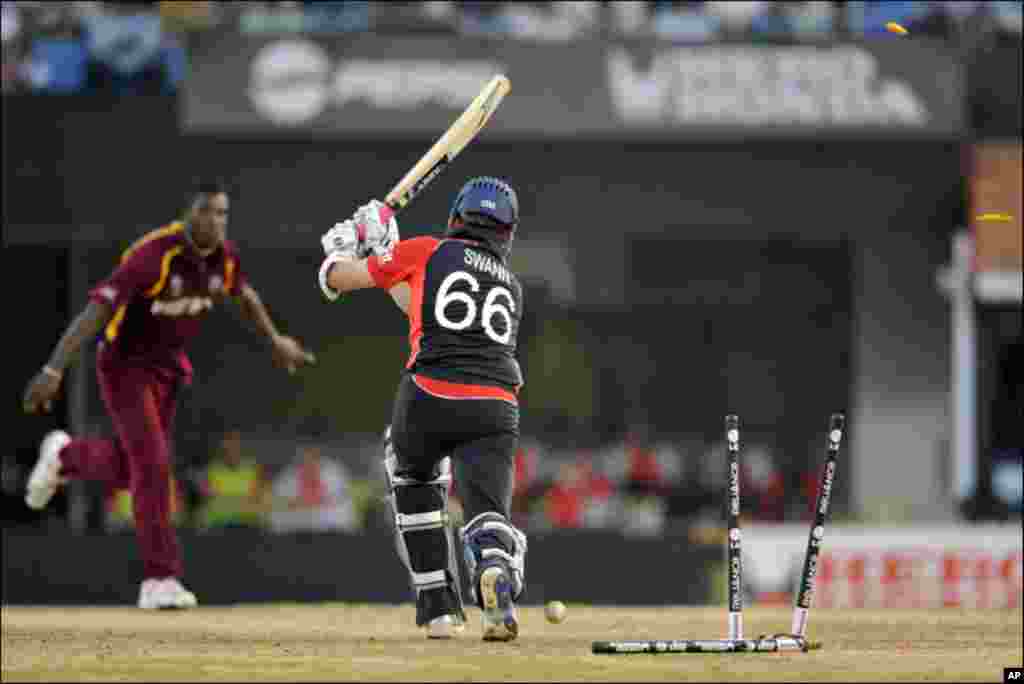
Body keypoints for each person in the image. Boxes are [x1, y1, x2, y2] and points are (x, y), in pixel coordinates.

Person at [21, 179, 316, 610]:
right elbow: (97, 310)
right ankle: (159, 578)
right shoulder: (153, 256)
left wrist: (274, 341)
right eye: (207, 211)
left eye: (222, 213)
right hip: (124, 367)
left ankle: (65, 458)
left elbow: (244, 296)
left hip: (168, 371)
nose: (215, 221)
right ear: (188, 215)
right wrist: (53, 368)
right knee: (154, 466)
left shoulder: (224, 258)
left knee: (133, 470)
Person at [317, 177, 528, 641]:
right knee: (487, 511)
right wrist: (384, 247)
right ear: (507, 235)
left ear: (456, 217)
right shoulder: (511, 286)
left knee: (413, 475)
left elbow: (340, 281)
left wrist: (341, 251)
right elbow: (420, 305)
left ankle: (438, 610)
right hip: (495, 406)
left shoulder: (429, 251)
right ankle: (494, 576)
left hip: (428, 397)